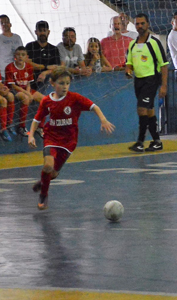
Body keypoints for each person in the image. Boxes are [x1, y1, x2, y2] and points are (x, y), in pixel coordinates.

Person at [27, 67, 115, 210]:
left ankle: (44, 182)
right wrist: (31, 135)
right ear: (52, 83)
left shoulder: (74, 98)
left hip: (69, 140)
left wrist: (103, 120)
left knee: (53, 173)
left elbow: (94, 107)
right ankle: (44, 195)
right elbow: (37, 119)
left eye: (67, 83)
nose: (65, 86)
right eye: (61, 83)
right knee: (48, 165)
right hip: (51, 137)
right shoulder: (46, 101)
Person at [125, 12, 168, 153]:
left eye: (142, 23)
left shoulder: (154, 43)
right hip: (138, 80)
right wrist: (128, 70)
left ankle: (140, 142)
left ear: (148, 24)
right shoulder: (132, 44)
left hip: (151, 79)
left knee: (141, 109)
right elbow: (129, 62)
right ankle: (157, 141)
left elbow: (164, 65)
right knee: (149, 111)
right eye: (137, 23)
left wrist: (164, 85)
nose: (140, 26)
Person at [6, 46, 44, 136]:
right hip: (14, 90)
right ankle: (21, 127)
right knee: (25, 98)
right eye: (18, 54)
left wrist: (28, 91)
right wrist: (27, 93)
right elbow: (12, 85)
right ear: (14, 55)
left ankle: (40, 127)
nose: (20, 57)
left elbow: (28, 83)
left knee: (44, 100)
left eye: (23, 55)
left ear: (26, 57)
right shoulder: (9, 67)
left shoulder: (29, 67)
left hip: (26, 89)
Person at [25, 20, 60, 87]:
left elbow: (57, 68)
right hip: (31, 82)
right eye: (40, 30)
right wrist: (46, 67)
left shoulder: (54, 49)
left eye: (45, 30)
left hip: (49, 83)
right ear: (36, 32)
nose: (42, 33)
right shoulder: (30, 46)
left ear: (48, 32)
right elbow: (27, 65)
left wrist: (45, 73)